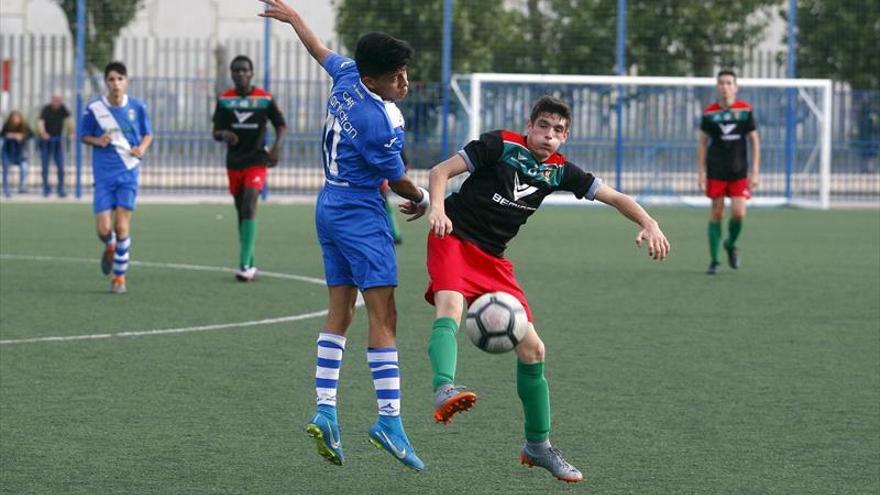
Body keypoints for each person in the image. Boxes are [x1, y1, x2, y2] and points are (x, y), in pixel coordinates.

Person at [415, 96, 670, 483]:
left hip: (493, 260)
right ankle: (443, 388)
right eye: (544, 127)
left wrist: (649, 222)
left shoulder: (558, 171)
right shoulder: (499, 145)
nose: (549, 136)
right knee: (450, 305)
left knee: (534, 349)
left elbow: (615, 197)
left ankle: (537, 446)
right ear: (529, 125)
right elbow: (440, 171)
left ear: (565, 137)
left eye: (558, 131)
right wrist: (437, 208)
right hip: (452, 236)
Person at [260, 0, 430, 471]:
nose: (404, 81)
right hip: (358, 211)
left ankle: (326, 411)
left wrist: (294, 18)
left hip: (328, 205)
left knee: (340, 310)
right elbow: (398, 182)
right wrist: (423, 199)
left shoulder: (350, 76)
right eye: (397, 75)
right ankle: (389, 423)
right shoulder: (380, 121)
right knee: (384, 315)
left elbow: (320, 50)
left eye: (404, 72)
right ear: (375, 79)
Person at [80, 61, 153, 294]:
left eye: (120, 79)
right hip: (103, 175)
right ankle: (109, 245)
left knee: (122, 227)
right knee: (103, 230)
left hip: (128, 173)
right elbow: (84, 135)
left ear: (126, 81)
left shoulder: (137, 107)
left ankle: (119, 278)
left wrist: (141, 148)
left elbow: (148, 134)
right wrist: (97, 141)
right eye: (111, 79)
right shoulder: (95, 109)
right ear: (106, 82)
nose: (116, 83)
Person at [212, 55, 287, 282]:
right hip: (234, 163)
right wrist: (224, 134)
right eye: (236, 71)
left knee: (250, 202)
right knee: (241, 211)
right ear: (232, 74)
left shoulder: (264, 98)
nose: (241, 74)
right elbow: (215, 131)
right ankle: (251, 261)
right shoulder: (225, 99)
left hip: (257, 160)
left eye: (245, 70)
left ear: (252, 73)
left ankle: (244, 265)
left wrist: (275, 148)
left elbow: (281, 125)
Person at [697, 70, 760, 275]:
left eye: (729, 83)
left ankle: (730, 244)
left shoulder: (745, 110)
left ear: (736, 86)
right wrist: (701, 172)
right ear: (717, 86)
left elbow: (754, 141)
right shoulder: (709, 113)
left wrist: (756, 171)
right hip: (716, 170)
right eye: (722, 83)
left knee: (739, 213)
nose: (725, 86)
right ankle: (714, 261)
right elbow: (702, 143)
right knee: (716, 213)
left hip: (739, 171)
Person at [37, 92, 72, 197]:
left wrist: (72, 132)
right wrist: (43, 133)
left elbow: (70, 120)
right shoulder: (46, 109)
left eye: (59, 100)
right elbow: (40, 122)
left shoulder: (63, 109)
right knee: (45, 167)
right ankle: (46, 188)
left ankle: (60, 188)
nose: (57, 102)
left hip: (57, 142)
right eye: (55, 99)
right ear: (52, 100)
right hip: (46, 142)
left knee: (60, 167)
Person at [1, 110, 32, 197]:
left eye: (17, 118)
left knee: (24, 168)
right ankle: (6, 189)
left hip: (20, 154)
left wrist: (22, 136)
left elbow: (31, 135)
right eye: (14, 118)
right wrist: (10, 135)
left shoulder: (25, 126)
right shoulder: (6, 126)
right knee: (5, 168)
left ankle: (22, 187)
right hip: (7, 152)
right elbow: (2, 135)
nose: (16, 120)